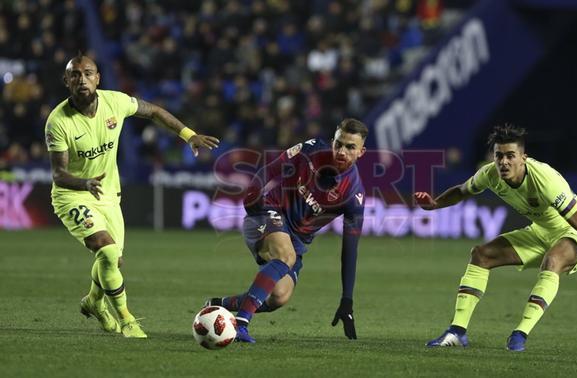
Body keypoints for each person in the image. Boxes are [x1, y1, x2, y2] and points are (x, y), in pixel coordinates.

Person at [45, 54, 219, 338]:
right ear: (67, 81)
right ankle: (127, 320)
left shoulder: (116, 102)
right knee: (107, 250)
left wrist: (188, 135)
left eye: (88, 73)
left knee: (112, 261)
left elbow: (154, 111)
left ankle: (94, 303)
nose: (82, 79)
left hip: (109, 194)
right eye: (75, 75)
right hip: (72, 195)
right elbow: (58, 174)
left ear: (98, 78)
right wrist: (85, 182)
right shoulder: (58, 122)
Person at [415, 124, 577, 351]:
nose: (503, 162)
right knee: (481, 255)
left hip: (573, 234)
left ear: (523, 158)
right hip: (540, 232)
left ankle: (519, 335)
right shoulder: (490, 174)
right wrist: (436, 203)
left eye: (510, 156)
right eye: (499, 156)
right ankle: (457, 332)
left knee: (552, 261)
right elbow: (462, 190)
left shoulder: (545, 180)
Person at [205, 119, 368, 343]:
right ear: (332, 142)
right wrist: (253, 190)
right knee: (285, 256)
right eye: (339, 144)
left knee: (279, 296)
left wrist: (347, 299)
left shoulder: (353, 195)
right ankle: (241, 324)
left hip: (297, 241)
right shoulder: (312, 149)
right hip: (268, 212)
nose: (342, 151)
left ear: (361, 152)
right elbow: (272, 167)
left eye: (350, 147)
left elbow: (350, 250)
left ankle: (219, 305)